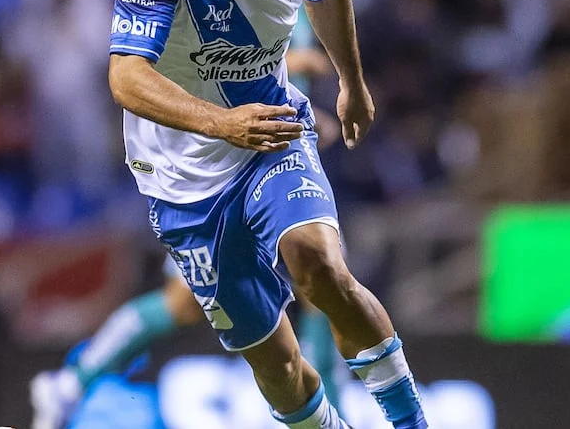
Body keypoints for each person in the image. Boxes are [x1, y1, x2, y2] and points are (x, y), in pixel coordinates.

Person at [104, 0, 427, 429]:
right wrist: (221, 124)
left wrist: (352, 86)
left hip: (272, 135)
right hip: (181, 177)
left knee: (321, 264)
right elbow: (125, 76)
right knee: (278, 368)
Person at [28, 38, 344, 429]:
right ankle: (74, 381)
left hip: (278, 162)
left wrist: (308, 117)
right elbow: (199, 60)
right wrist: (289, 62)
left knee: (321, 283)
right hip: (217, 172)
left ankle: (335, 414)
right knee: (183, 302)